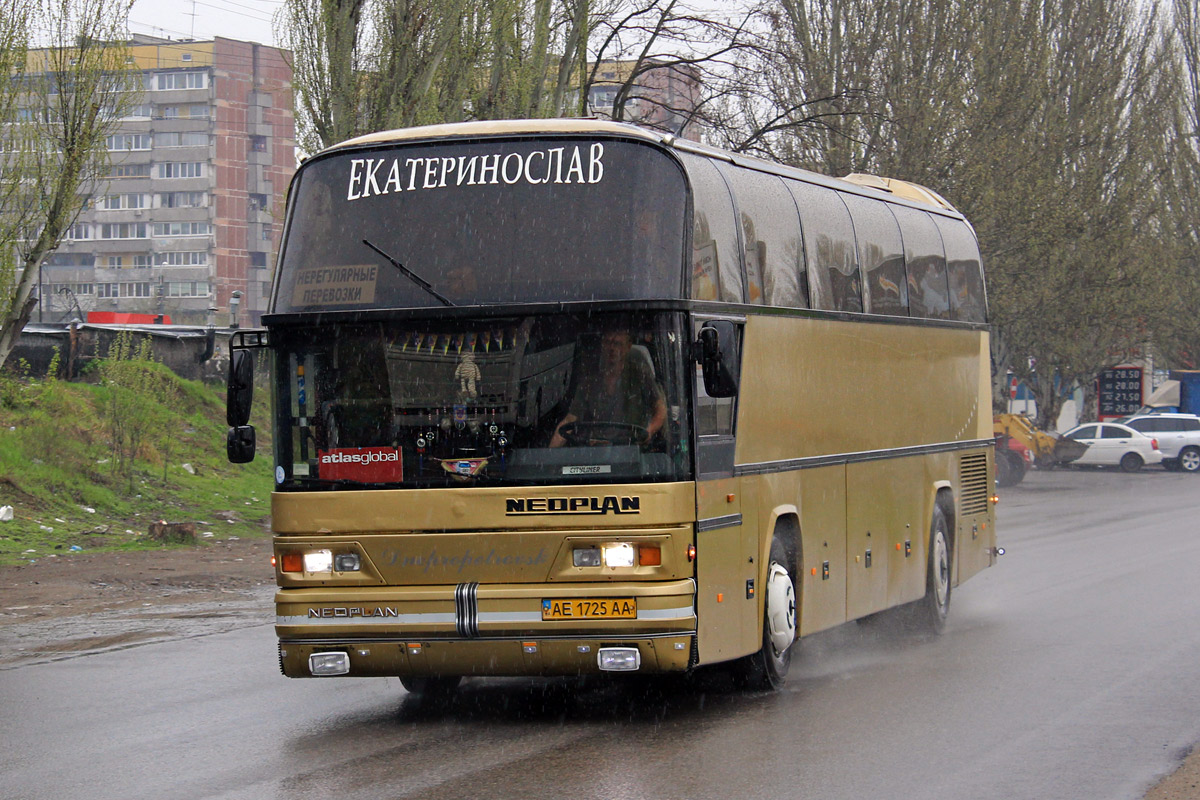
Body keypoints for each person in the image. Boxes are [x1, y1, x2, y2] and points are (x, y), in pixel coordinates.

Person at [550, 329, 666, 447]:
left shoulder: (639, 376)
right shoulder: (590, 382)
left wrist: (648, 432)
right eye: (608, 342)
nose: (612, 349)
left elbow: (660, 409)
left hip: (632, 450)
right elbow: (570, 419)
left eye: (617, 344)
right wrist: (550, 456)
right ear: (602, 345)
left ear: (628, 347)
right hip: (597, 453)